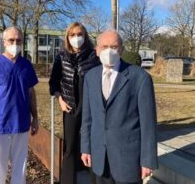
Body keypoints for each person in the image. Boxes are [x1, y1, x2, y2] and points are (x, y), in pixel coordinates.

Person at [81, 29, 158, 184]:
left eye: (114, 47)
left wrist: (148, 160)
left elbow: (148, 123)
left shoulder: (140, 78)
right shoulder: (90, 77)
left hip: (128, 160)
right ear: (97, 50)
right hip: (99, 157)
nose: (109, 51)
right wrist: (85, 147)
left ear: (122, 49)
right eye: (104, 46)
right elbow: (87, 117)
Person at [0, 26, 39, 184]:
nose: (15, 43)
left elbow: (31, 93)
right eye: (11, 40)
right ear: (4, 42)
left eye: (18, 40)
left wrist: (35, 117)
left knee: (20, 171)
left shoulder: (26, 66)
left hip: (22, 125)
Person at [49, 22, 100, 184]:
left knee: (91, 144)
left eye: (80, 34)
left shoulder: (94, 57)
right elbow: (53, 83)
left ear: (85, 36)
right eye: (73, 35)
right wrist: (60, 100)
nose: (76, 38)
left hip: (91, 108)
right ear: (67, 37)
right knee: (70, 146)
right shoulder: (61, 57)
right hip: (70, 107)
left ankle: (94, 179)